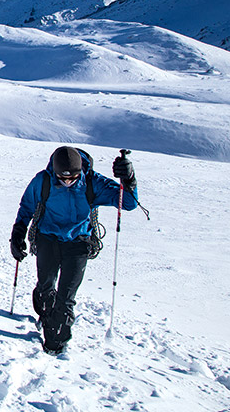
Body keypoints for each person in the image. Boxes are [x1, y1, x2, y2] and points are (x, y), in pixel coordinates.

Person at [9, 146, 137, 354]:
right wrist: (18, 233)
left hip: (78, 243)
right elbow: (27, 207)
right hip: (48, 239)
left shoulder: (93, 182)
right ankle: (45, 316)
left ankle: (55, 344)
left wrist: (129, 179)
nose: (68, 182)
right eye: (62, 178)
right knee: (45, 287)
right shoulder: (43, 180)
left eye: (73, 178)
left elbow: (128, 203)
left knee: (66, 297)